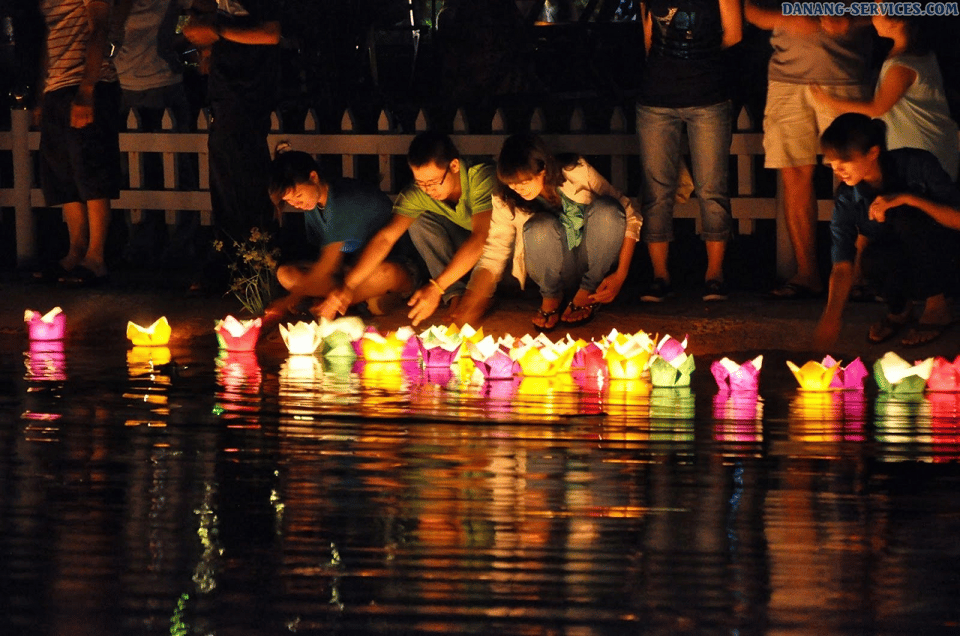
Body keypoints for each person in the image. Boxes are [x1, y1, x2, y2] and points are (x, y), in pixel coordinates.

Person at [744, 2, 871, 299]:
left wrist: (851, 21)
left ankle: (859, 275)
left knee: (854, 177)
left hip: (844, 74)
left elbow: (899, 10)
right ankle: (807, 273)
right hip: (786, 79)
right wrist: (784, 18)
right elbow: (749, 9)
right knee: (794, 174)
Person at [453, 133, 642, 330]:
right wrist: (472, 301)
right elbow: (495, 250)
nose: (518, 188)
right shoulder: (505, 197)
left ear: (542, 169)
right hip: (555, 268)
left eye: (524, 182)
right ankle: (551, 298)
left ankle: (587, 291)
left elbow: (629, 213)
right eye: (511, 182)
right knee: (539, 226)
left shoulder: (575, 171)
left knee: (608, 210)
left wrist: (621, 274)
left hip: (594, 260)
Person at [812, 113, 960, 350]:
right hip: (906, 265)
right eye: (832, 161)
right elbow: (842, 263)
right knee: (872, 256)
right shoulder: (848, 197)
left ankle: (938, 308)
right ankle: (900, 310)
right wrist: (831, 317)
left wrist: (909, 199)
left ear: (873, 152)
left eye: (845, 160)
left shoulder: (917, 164)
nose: (837, 169)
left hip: (947, 260)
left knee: (905, 217)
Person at [319, 131, 497, 327]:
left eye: (434, 182)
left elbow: (482, 238)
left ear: (454, 166)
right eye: (421, 183)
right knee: (419, 219)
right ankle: (456, 294)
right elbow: (386, 238)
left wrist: (436, 287)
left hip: (505, 250)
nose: (428, 190)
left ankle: (479, 294)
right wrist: (348, 286)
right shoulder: (419, 193)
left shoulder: (479, 177)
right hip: (466, 247)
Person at [636, 0, 742, 302]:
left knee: (712, 187)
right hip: (656, 96)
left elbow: (734, 34)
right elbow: (647, 38)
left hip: (708, 96)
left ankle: (715, 275)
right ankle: (659, 276)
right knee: (657, 190)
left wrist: (699, 59)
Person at [182, 0, 280, 290]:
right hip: (228, 92)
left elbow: (270, 32)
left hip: (245, 94)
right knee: (226, 180)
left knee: (241, 180)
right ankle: (235, 261)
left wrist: (216, 28)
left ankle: (245, 264)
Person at [263, 148, 419, 321]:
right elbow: (327, 262)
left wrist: (288, 300)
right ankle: (356, 300)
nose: (296, 204)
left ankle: (339, 301)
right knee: (286, 273)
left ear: (313, 177)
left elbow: (328, 264)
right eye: (289, 201)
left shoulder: (343, 199)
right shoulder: (313, 205)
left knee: (385, 273)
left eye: (298, 195)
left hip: (393, 266)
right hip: (348, 271)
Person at [810, 13, 959, 181]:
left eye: (878, 12)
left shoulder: (901, 66)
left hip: (923, 147)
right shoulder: (919, 54)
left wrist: (830, 101)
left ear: (897, 21)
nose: (873, 17)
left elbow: (877, 108)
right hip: (930, 143)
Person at [35, 0, 121, 286]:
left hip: (86, 83)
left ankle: (96, 257)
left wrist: (87, 89)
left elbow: (99, 30)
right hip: (56, 86)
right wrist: (42, 94)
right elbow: (51, 37)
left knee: (91, 170)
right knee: (64, 174)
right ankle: (76, 250)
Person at [112, 0, 200, 268]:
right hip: (125, 84)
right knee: (135, 171)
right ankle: (140, 242)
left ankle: (181, 242)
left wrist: (174, 46)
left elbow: (201, 11)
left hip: (164, 83)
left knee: (176, 167)